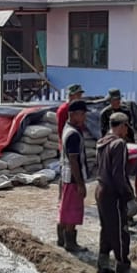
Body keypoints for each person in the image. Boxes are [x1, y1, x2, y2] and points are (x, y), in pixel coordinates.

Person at [97, 112, 137, 273]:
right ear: (121, 126)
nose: (126, 130)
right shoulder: (119, 144)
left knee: (107, 229)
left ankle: (103, 265)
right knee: (121, 234)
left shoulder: (102, 142)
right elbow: (119, 175)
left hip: (100, 190)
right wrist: (129, 196)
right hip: (112, 194)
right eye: (126, 126)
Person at [58, 100, 90, 253]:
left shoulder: (67, 128)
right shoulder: (74, 135)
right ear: (73, 114)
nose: (84, 117)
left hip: (65, 176)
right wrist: (80, 184)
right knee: (72, 210)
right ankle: (70, 243)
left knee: (65, 208)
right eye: (82, 114)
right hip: (72, 178)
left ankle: (61, 238)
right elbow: (74, 160)